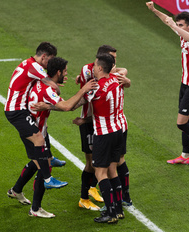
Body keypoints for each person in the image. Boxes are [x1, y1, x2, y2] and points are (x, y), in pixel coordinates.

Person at [8, 57, 98, 218]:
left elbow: (64, 105)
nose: (66, 74)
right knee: (44, 166)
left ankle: (16, 190)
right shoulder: (47, 89)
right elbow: (67, 106)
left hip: (37, 128)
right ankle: (36, 209)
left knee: (38, 163)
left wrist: (86, 97)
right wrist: (83, 90)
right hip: (35, 132)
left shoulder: (38, 84)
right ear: (58, 72)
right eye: (65, 71)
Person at [4, 42, 68, 216]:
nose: (50, 64)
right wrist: (56, 87)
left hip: (21, 111)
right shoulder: (34, 67)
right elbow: (50, 82)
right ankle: (45, 185)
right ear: (44, 56)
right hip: (17, 111)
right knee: (40, 151)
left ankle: (17, 190)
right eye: (51, 60)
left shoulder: (28, 65)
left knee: (37, 158)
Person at [73, 45, 132, 211]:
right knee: (103, 165)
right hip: (105, 125)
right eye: (112, 59)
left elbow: (80, 101)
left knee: (105, 167)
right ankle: (107, 203)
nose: (115, 62)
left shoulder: (104, 80)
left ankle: (114, 204)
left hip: (104, 127)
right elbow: (123, 76)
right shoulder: (94, 73)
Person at [146, 2, 189, 164]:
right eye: (178, 25)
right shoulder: (182, 34)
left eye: (181, 25)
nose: (178, 27)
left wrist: (174, 26)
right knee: (187, 120)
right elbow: (167, 20)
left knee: (181, 123)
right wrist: (154, 10)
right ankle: (185, 156)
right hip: (185, 85)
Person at [83, 53, 125, 224]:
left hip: (104, 133)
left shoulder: (96, 88)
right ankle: (119, 210)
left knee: (100, 172)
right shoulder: (117, 80)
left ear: (100, 68)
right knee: (113, 171)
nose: (92, 68)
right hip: (118, 130)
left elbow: (73, 105)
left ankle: (110, 213)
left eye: (94, 66)